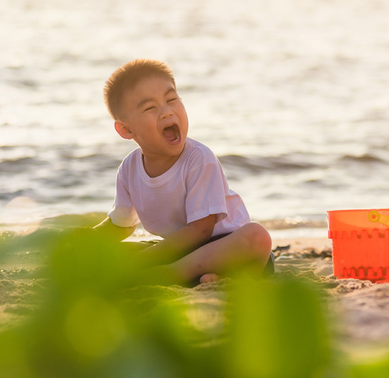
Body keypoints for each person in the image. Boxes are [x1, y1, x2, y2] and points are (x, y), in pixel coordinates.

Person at [94, 59, 273, 284]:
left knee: (256, 236)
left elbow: (201, 230)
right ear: (126, 129)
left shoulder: (198, 158)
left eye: (171, 100)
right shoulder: (129, 169)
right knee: (116, 255)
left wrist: (144, 260)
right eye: (150, 108)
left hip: (230, 247)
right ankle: (207, 278)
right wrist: (89, 240)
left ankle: (171, 275)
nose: (167, 112)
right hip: (182, 253)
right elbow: (121, 224)